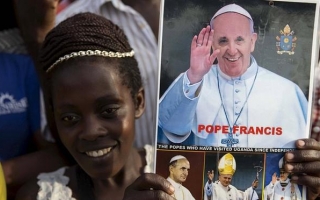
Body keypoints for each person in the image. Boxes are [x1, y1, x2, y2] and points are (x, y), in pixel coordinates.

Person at [14, 12, 175, 200]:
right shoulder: (39, 196)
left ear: (138, 102)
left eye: (108, 111)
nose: (91, 132)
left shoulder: (177, 174)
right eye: (70, 118)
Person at [14, 0, 160, 149]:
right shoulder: (69, 27)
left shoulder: (183, 10)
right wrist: (38, 38)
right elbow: (62, 135)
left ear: (139, 101)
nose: (92, 132)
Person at [158, 3, 307, 148]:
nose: (232, 50)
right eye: (223, 41)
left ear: (252, 41)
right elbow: (170, 130)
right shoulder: (191, 81)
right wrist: (195, 75)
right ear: (213, 44)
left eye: (239, 40)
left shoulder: (286, 91)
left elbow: (298, 150)